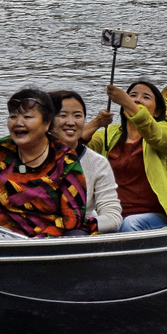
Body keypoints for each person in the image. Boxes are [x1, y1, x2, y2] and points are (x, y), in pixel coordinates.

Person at [0, 88, 94, 237]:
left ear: (47, 123)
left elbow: (73, 218)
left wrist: (36, 242)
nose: (18, 123)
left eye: (27, 117)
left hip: (44, 244)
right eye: (13, 116)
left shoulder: (65, 159)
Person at [87, 81, 167, 232]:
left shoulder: (165, 130)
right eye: (133, 96)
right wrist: (97, 122)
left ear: (156, 112)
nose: (137, 100)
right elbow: (75, 147)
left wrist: (126, 101)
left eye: (146, 97)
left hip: (154, 216)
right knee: (85, 223)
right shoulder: (110, 133)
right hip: (112, 214)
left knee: (130, 223)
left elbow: (155, 134)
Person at [49, 89, 121, 233]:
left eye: (77, 116)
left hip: (76, 234)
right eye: (62, 115)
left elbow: (113, 217)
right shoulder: (26, 155)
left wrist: (70, 224)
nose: (71, 122)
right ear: (46, 121)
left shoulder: (97, 162)